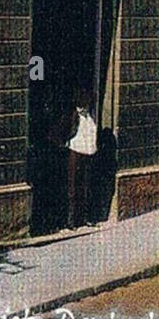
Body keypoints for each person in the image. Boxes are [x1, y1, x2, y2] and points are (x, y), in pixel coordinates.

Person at [65, 89, 99, 228]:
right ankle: (71, 221)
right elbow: (65, 130)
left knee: (85, 187)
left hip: (88, 154)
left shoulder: (90, 117)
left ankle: (84, 218)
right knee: (73, 188)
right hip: (76, 153)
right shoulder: (74, 115)